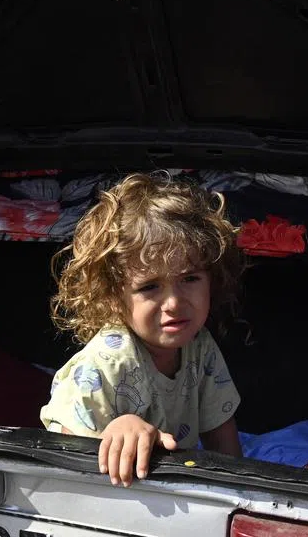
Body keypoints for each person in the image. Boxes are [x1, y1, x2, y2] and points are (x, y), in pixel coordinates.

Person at [40, 173, 245, 486]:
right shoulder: (105, 362)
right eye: (150, 287)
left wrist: (244, 486)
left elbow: (221, 433)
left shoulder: (199, 345)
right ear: (113, 297)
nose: (174, 303)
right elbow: (68, 453)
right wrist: (119, 428)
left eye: (189, 279)